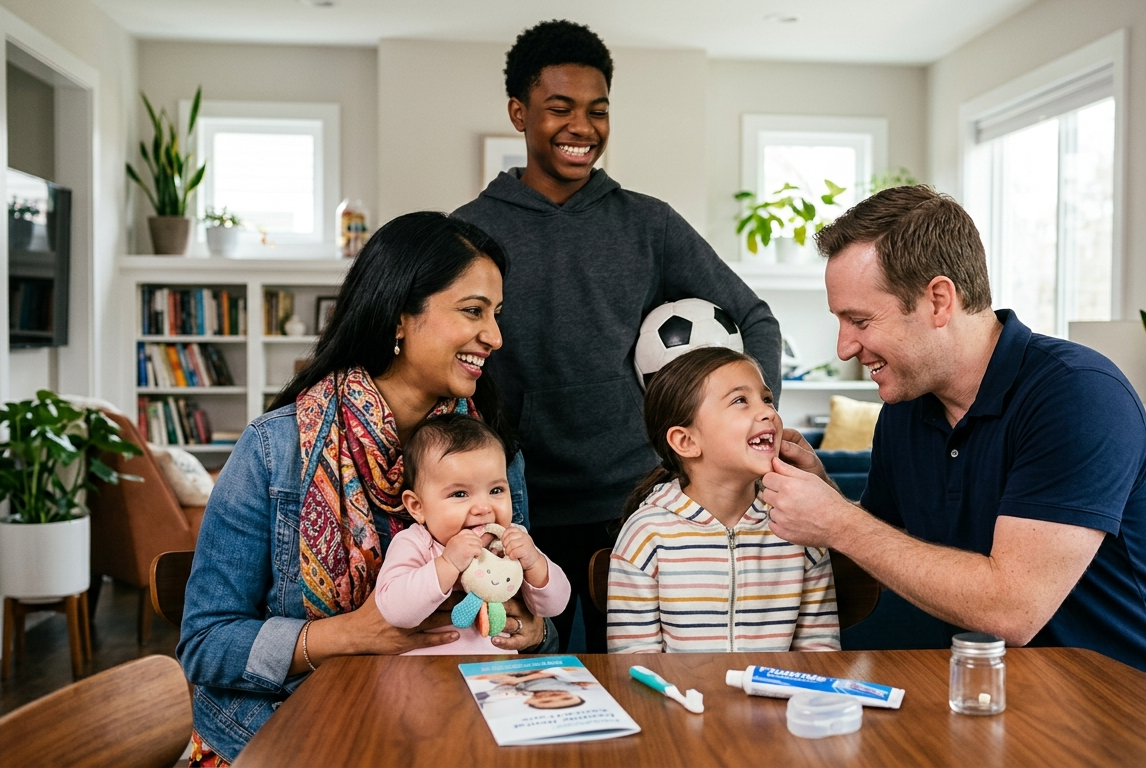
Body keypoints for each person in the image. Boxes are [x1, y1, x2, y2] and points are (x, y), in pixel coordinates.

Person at [759, 186, 1146, 698]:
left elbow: (1012, 608)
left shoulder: (1079, 394)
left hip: (1136, 713)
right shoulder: (905, 414)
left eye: (860, 321)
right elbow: (885, 555)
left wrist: (839, 522)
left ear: (938, 300)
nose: (845, 347)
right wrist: (820, 497)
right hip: (996, 706)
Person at [177, 212, 555, 766]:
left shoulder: (496, 454)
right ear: (399, 317)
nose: (495, 337)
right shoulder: (273, 450)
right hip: (285, 735)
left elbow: (523, 601)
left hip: (453, 728)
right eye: (473, 311)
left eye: (496, 315)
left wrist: (532, 628)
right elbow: (205, 645)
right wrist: (353, 634)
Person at [453, 20, 781, 652]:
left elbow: (754, 317)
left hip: (636, 502)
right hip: (514, 506)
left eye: (597, 110)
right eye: (560, 109)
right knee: (524, 680)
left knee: (633, 686)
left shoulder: (649, 224)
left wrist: (751, 415)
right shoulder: (470, 230)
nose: (583, 127)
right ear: (519, 113)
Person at [606, 347, 840, 653]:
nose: (769, 411)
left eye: (767, 399)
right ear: (686, 442)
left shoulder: (800, 524)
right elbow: (632, 661)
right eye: (740, 400)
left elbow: (819, 651)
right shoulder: (646, 534)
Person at [374, 414, 571, 653]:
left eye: (496, 490)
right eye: (459, 494)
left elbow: (556, 605)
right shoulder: (415, 543)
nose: (483, 508)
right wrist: (447, 564)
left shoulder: (511, 541)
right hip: (426, 680)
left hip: (496, 679)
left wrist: (534, 563)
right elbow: (395, 611)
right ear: (418, 507)